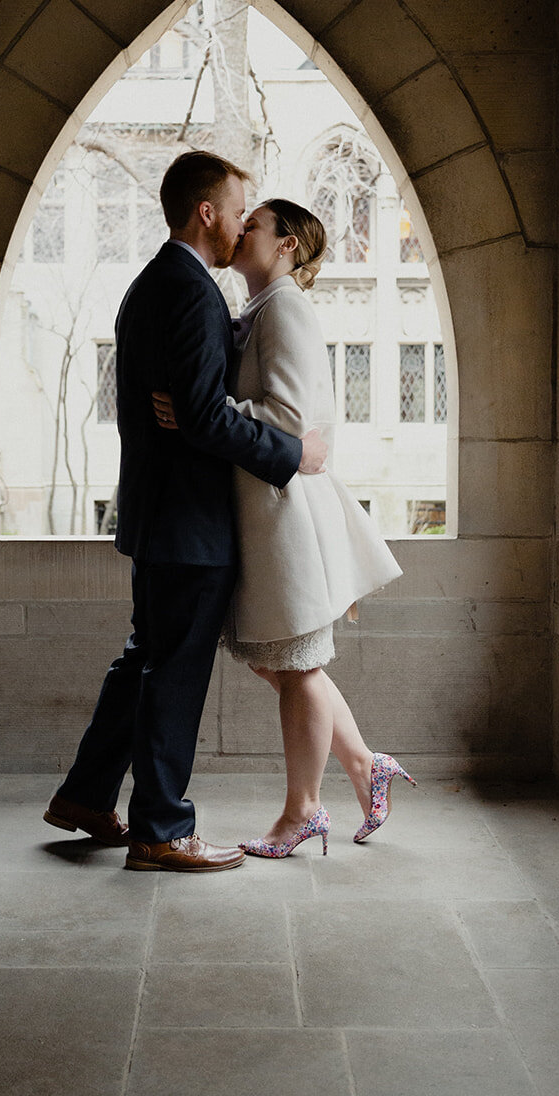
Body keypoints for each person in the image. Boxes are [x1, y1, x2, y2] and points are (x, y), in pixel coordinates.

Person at [43, 153, 327, 873]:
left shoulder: (153, 284)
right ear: (207, 213)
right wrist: (292, 454)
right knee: (172, 673)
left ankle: (83, 796)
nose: (241, 223)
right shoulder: (193, 292)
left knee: (144, 660)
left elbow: (186, 412)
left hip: (156, 513)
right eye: (237, 210)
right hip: (189, 524)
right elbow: (201, 417)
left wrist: (195, 416)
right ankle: (162, 830)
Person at [155, 199, 415, 858]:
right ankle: (363, 764)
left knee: (295, 667)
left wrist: (198, 413)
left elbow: (293, 421)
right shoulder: (262, 309)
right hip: (265, 517)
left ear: (288, 244)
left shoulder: (286, 307)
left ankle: (302, 811)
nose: (241, 230)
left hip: (285, 519)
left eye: (255, 224)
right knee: (285, 665)